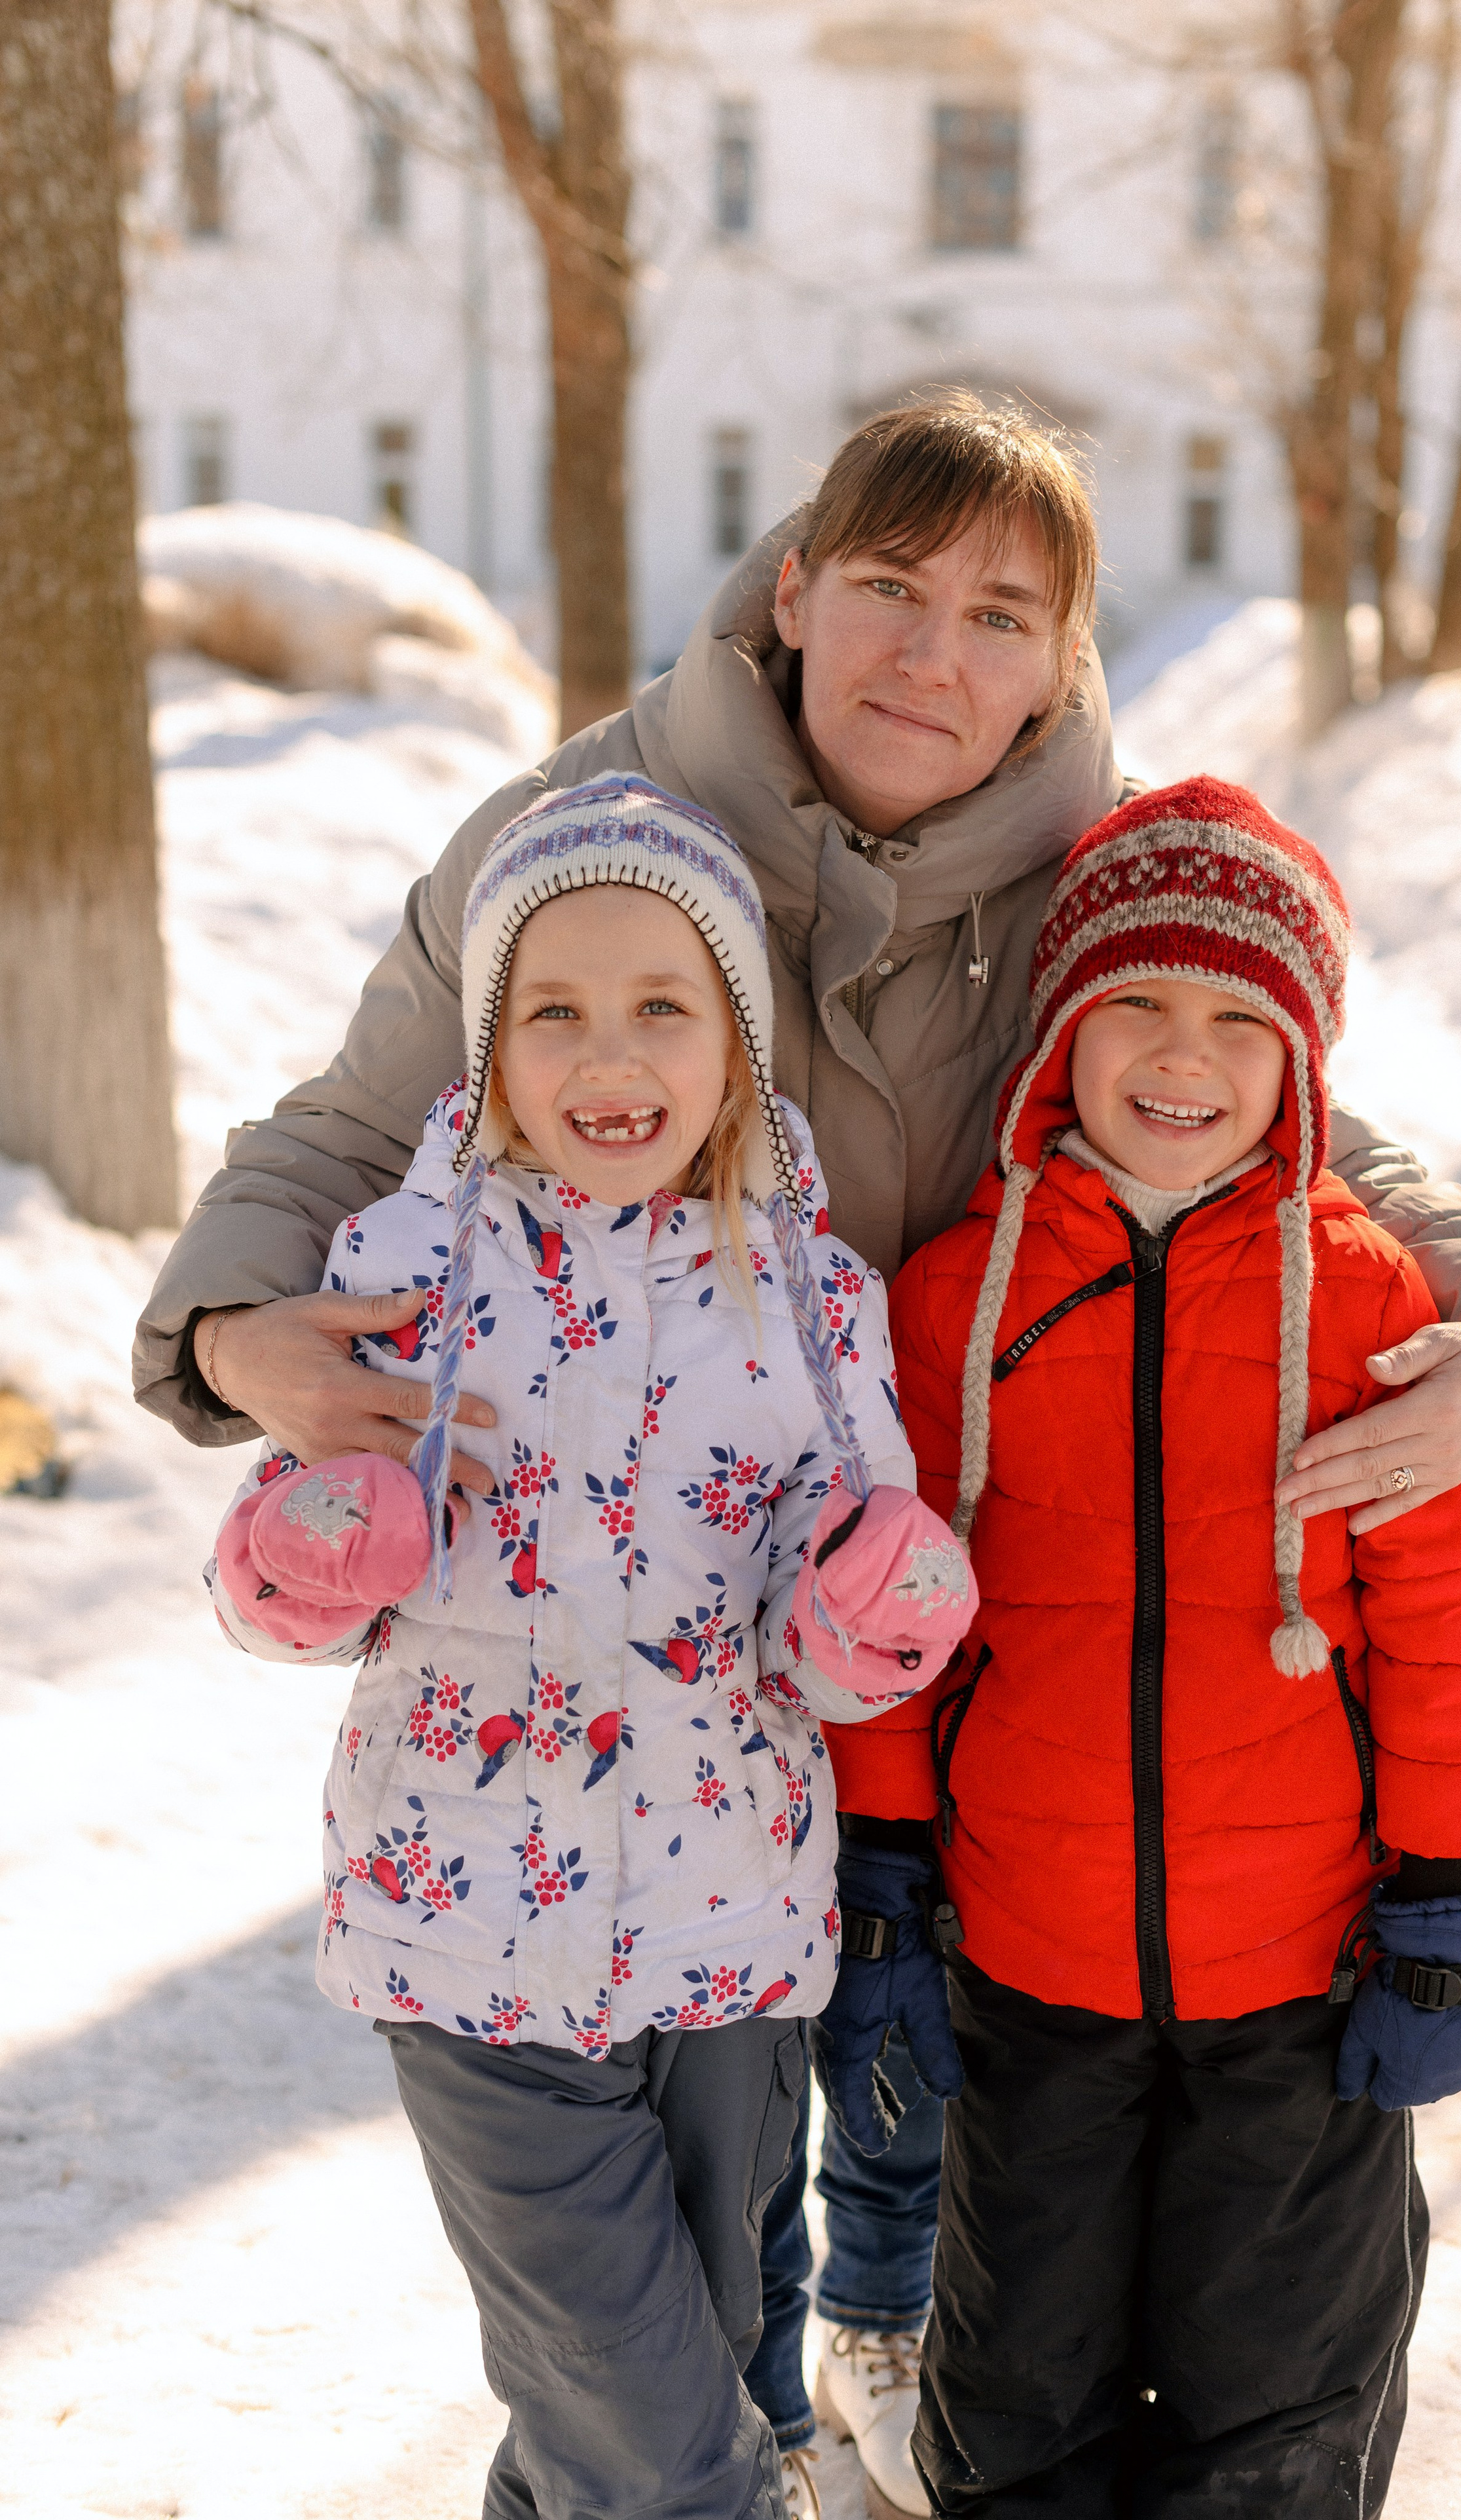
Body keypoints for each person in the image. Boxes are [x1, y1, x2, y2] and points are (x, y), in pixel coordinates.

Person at [136, 399, 1461, 2514]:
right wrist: (222, 1329)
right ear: (798, 591)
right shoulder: (592, 839)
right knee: (698, 2228)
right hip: (663, 1577)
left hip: (949, 1574)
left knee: (906, 2087)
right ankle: (726, 2444)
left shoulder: (1095, 868)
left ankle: (870, 2357)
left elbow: (1284, 1111)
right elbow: (356, 1125)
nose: (934, 654)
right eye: (894, 588)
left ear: (1062, 657)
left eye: (1002, 614)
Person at [205, 776, 977, 2520]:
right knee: (661, 2446)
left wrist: (873, 1609)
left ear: (737, 1043)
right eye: (553, 1011)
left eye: (660, 1008)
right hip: (464, 1930)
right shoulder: (402, 1271)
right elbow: (269, 1589)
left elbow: (835, 1606)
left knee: (642, 2387)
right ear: (490, 1049)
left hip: (730, 1929)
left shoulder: (813, 1295)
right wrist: (312, 1550)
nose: (608, 1056)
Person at [828, 776, 1461, 2518]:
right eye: (1134, 998)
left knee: (1274, 2406)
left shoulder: (1369, 1300)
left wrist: (1450, 1886)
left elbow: (1445, 1614)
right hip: (1027, 1963)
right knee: (1020, 2395)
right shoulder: (954, 1299)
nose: (1181, 1053)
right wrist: (886, 1864)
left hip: (1306, 1974)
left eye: (1238, 1018)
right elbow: (896, 1610)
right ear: (1059, 1028)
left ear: (1304, 1061)